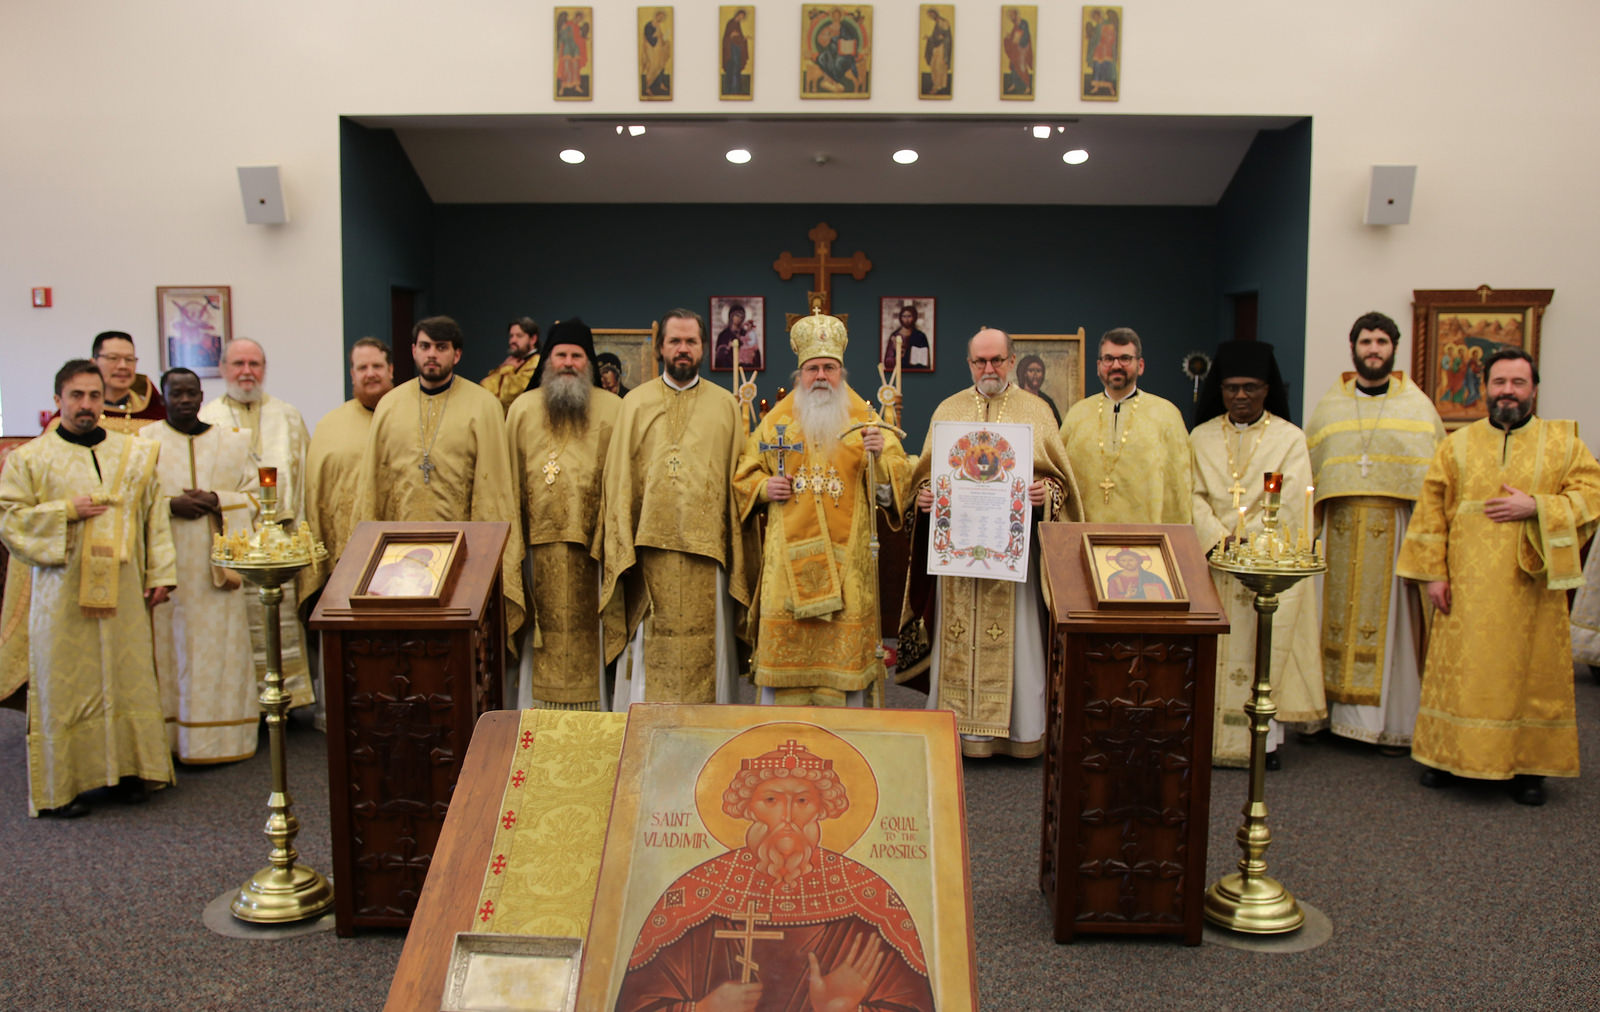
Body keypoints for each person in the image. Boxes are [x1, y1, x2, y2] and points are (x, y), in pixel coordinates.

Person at [1396, 348, 1600, 806]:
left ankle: (1528, 767)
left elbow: (1592, 495)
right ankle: (1445, 756)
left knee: (1528, 678)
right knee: (1462, 675)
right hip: (1466, 588)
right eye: (1499, 382)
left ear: (1534, 390)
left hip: (1531, 590)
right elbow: (1430, 513)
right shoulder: (1456, 445)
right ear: (1485, 388)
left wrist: (1538, 506)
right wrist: (1433, 575)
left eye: (1518, 383)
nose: (1508, 391)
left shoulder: (1564, 444)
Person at [617, 738, 934, 1010]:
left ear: (821, 809)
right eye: (771, 800)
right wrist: (702, 1009)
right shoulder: (697, 891)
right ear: (749, 808)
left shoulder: (867, 895)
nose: (787, 816)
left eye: (802, 801)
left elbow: (915, 1003)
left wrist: (840, 1010)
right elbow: (636, 1001)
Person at [0, 360, 176, 817]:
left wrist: (160, 573)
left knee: (127, 678)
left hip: (123, 591)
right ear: (57, 399)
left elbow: (154, 514)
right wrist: (64, 512)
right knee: (66, 686)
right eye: (76, 395)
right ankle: (63, 788)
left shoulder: (133, 453)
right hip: (61, 595)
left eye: (94, 396)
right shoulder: (29, 459)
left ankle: (128, 772)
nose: (86, 405)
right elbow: (10, 521)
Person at [910, 328, 1083, 758]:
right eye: (980, 361)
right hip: (958, 558)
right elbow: (926, 478)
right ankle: (957, 733)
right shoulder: (948, 409)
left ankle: (1019, 732)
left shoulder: (1037, 411)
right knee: (955, 635)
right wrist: (924, 497)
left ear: (1011, 361)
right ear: (969, 364)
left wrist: (1046, 494)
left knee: (1019, 639)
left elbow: (1061, 482)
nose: (989, 369)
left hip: (1012, 559)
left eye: (997, 360)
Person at [732, 311, 913, 706]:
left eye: (829, 368)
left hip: (848, 563)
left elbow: (897, 484)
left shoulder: (867, 420)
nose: (820, 376)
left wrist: (878, 458)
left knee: (844, 671)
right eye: (812, 368)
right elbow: (745, 474)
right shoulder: (776, 421)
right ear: (800, 374)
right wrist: (764, 488)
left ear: (841, 373)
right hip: (786, 564)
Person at [349, 316, 526, 683]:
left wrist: (485, 560)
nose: (432, 355)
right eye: (425, 346)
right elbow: (373, 487)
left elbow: (494, 491)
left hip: (464, 559)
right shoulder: (390, 405)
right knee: (405, 660)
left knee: (457, 664)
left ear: (456, 355)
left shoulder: (483, 405)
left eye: (441, 348)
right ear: (413, 351)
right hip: (398, 559)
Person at [1305, 312, 1445, 753]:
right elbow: (1312, 473)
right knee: (1329, 617)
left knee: (1392, 628)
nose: (1373, 349)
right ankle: (1325, 715)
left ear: (1394, 349)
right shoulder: (1331, 406)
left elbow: (1434, 481)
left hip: (1394, 529)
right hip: (1338, 529)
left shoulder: (1417, 407)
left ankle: (1387, 724)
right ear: (1353, 348)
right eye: (1366, 341)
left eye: (1382, 341)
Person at [600, 308, 752, 706]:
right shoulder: (635, 403)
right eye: (675, 341)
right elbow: (619, 479)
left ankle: (710, 736)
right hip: (649, 553)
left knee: (711, 654)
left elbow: (738, 479)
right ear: (660, 348)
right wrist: (622, 543)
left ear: (703, 348)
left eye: (691, 341)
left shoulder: (725, 406)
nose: (683, 349)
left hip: (709, 552)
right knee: (647, 655)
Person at [1190, 340, 1325, 768]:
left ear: (1268, 389)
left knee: (1263, 647)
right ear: (1221, 390)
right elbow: (1190, 495)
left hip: (1264, 567)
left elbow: (1292, 503)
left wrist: (1250, 545)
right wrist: (1219, 538)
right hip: (1214, 563)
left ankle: (1260, 744)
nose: (1241, 397)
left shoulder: (1289, 439)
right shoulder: (1200, 437)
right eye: (1232, 388)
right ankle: (1208, 739)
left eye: (1250, 387)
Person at [143, 368, 259, 764]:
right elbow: (133, 502)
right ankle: (172, 740)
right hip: (169, 570)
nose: (185, 400)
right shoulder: (145, 443)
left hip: (218, 574)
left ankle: (226, 739)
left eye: (191, 393)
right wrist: (169, 505)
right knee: (171, 650)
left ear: (201, 394)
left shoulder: (231, 443)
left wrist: (217, 499)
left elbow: (257, 497)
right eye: (176, 393)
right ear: (164, 396)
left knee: (222, 653)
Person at [506, 318, 622, 710]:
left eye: (576, 355)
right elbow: (509, 480)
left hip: (595, 550)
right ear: (547, 360)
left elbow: (623, 479)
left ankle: (595, 721)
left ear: (588, 362)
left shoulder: (614, 410)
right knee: (538, 639)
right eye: (561, 355)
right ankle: (535, 720)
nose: (568, 363)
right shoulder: (522, 410)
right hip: (536, 550)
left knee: (594, 634)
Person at [198, 337, 315, 710]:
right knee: (239, 630)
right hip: (235, 544)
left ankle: (289, 701)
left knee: (282, 622)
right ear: (223, 369)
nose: (246, 372)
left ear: (264, 369)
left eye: (254, 364)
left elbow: (305, 477)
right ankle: (246, 705)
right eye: (238, 364)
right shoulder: (207, 418)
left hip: (281, 540)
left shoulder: (288, 415)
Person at [1060, 327, 1192, 522]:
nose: (1116, 365)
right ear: (1098, 366)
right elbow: (1060, 476)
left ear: (1140, 365)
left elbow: (1179, 485)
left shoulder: (1166, 414)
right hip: (1085, 531)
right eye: (1108, 359)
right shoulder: (1078, 414)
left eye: (1125, 358)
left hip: (1146, 534)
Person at [301, 337, 394, 599]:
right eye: (362, 368)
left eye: (377, 366)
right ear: (352, 374)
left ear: (391, 370)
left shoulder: (410, 417)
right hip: (347, 554)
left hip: (403, 553)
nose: (370, 373)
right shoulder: (330, 426)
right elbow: (316, 496)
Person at [481, 317, 541, 414]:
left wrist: (506, 369)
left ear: (533, 339)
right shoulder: (512, 361)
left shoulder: (536, 363)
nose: (512, 340)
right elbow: (483, 389)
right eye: (511, 336)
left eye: (519, 336)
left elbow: (507, 395)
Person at [880, 302, 931, 374]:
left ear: (914, 317)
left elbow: (925, 361)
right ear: (900, 318)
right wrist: (898, 357)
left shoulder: (920, 336)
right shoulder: (895, 336)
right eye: (904, 316)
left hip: (916, 374)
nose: (906, 319)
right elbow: (888, 361)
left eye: (909, 316)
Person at [1105, 549, 1171, 600]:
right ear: (1118, 563)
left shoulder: (1152, 578)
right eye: (1123, 561)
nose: (1127, 563)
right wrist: (1127, 596)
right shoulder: (1114, 579)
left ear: (1138, 561)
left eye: (1131, 560)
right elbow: (1111, 598)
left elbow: (1165, 598)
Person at [713, 302, 753, 371]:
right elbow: (719, 356)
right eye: (736, 315)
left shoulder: (746, 334)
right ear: (731, 316)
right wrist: (727, 348)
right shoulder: (723, 335)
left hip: (743, 367)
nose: (739, 318)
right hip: (727, 367)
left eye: (741, 316)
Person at [640, 9, 671, 97]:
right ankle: (647, 87)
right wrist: (656, 37)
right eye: (660, 17)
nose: (661, 19)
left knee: (661, 65)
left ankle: (660, 84)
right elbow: (649, 39)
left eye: (663, 18)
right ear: (656, 16)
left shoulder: (658, 26)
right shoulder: (649, 25)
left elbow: (661, 38)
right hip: (651, 50)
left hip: (658, 50)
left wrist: (664, 40)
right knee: (653, 66)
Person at [1004, 8, 1033, 95]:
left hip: (1022, 50)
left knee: (1022, 68)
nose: (1011, 17)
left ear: (1016, 15)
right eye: (1010, 16)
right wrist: (1009, 37)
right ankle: (1014, 84)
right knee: (1013, 66)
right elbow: (1014, 37)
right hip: (1016, 51)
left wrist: (1016, 40)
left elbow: (1025, 36)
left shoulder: (1023, 23)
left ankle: (1028, 86)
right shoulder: (1015, 25)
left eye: (1012, 15)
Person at [721, 8, 750, 96]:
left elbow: (738, 38)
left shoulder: (737, 24)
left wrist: (744, 38)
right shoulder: (731, 23)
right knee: (733, 68)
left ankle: (736, 89)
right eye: (741, 16)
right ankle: (733, 89)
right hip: (731, 50)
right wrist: (731, 35)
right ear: (737, 14)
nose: (741, 18)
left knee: (736, 69)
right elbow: (726, 37)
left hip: (737, 49)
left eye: (743, 17)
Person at [923, 8, 952, 95]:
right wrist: (929, 38)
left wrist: (942, 38)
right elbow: (936, 37)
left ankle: (938, 86)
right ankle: (938, 85)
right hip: (937, 47)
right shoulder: (937, 23)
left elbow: (946, 36)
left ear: (935, 13)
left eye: (931, 14)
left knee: (939, 66)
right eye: (929, 15)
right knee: (934, 65)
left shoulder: (943, 22)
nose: (931, 17)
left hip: (942, 48)